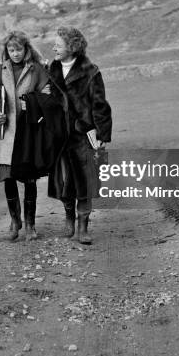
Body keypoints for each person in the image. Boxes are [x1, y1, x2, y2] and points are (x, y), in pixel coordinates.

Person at [47, 26, 112, 245]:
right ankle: (68, 217)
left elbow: (100, 104)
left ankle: (83, 225)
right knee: (64, 180)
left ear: (72, 47)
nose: (54, 47)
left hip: (83, 134)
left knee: (85, 181)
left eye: (58, 44)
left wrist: (102, 134)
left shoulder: (90, 71)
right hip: (59, 136)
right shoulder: (50, 70)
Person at [0, 31, 50, 241]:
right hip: (7, 133)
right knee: (8, 178)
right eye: (11, 49)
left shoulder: (36, 69)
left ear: (26, 49)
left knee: (29, 180)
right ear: (6, 51)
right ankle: (15, 221)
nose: (15, 53)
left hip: (29, 133)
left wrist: (33, 102)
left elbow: (48, 94)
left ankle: (30, 225)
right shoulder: (0, 70)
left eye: (19, 49)